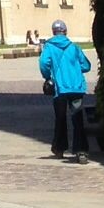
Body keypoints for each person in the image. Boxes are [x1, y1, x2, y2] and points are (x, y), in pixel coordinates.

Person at [39, 18, 94, 162]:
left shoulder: (49, 47)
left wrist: (47, 76)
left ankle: (59, 148)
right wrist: (75, 69)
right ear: (65, 31)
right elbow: (86, 66)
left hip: (60, 88)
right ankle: (81, 151)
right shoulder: (74, 47)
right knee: (77, 119)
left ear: (53, 32)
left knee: (60, 119)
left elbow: (44, 63)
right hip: (76, 86)